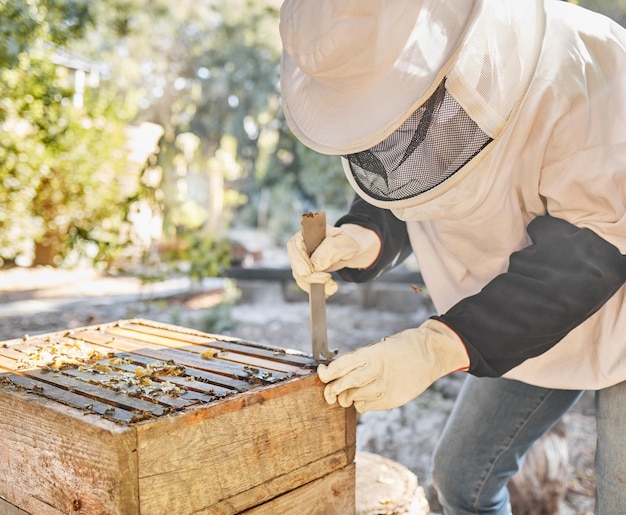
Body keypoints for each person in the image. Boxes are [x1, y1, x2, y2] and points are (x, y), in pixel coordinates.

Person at [279, 0, 626, 513]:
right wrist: (360, 237)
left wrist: (436, 348)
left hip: (610, 294)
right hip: (515, 309)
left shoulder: (585, 70)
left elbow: (592, 251)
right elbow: (408, 179)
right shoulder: (412, 72)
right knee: (463, 479)